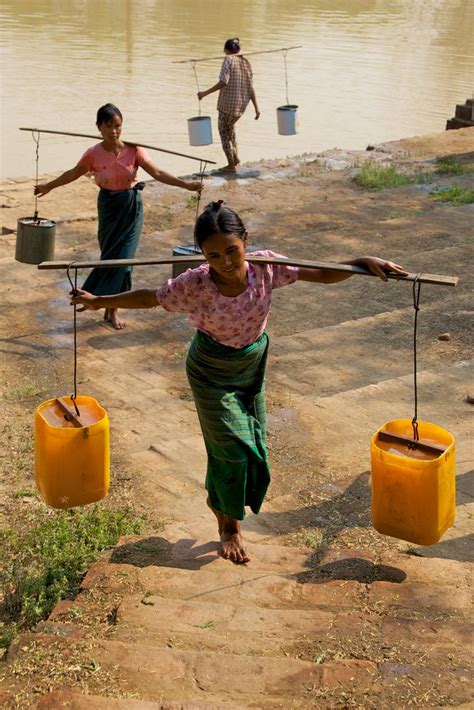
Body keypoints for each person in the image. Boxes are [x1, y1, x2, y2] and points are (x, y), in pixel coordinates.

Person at [71, 201, 408, 563]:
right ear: (203, 255)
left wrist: (360, 263)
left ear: (245, 240)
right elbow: (150, 298)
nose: (225, 262)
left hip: (251, 366)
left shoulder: (267, 266)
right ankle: (227, 526)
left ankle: (226, 506)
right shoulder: (196, 282)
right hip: (210, 371)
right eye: (213, 255)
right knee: (231, 448)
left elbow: (321, 274)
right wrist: (99, 301)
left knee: (252, 445)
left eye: (232, 250)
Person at [35, 103, 203, 330]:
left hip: (131, 209)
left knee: (124, 262)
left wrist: (186, 185)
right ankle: (105, 305)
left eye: (118, 126)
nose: (114, 131)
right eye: (108, 126)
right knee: (110, 258)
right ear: (99, 127)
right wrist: (49, 186)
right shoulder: (93, 154)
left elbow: (158, 172)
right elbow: (73, 174)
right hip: (108, 208)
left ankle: (112, 309)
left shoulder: (134, 150)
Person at [197, 38, 260, 173]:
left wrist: (204, 93)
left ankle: (231, 165)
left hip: (227, 107)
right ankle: (235, 158)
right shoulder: (246, 62)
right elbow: (251, 88)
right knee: (230, 130)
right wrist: (256, 108)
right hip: (241, 108)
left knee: (224, 133)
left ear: (226, 50)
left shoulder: (228, 60)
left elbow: (223, 82)